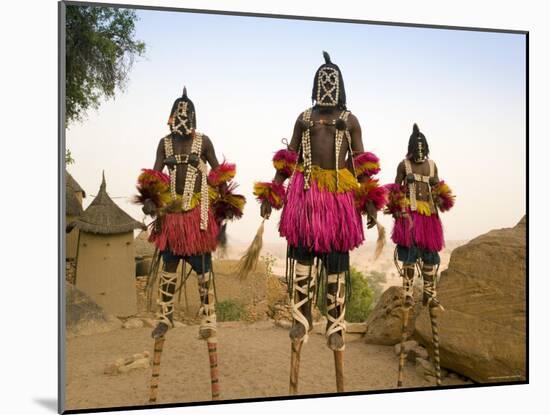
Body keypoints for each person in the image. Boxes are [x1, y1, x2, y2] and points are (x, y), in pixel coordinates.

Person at [253, 52, 387, 393]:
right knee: (301, 255)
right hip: (306, 194)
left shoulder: (350, 120)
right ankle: (301, 317)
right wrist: (273, 194)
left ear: (340, 88)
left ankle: (335, 321)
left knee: (336, 260)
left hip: (339, 197)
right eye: (322, 81)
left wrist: (370, 204)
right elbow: (288, 160)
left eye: (333, 82)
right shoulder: (303, 118)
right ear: (315, 87)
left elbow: (360, 163)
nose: (327, 87)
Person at [135, 87, 245, 401]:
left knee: (202, 268)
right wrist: (150, 200)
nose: (181, 118)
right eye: (177, 113)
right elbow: (155, 174)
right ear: (171, 117)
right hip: (172, 217)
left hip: (198, 216)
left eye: (186, 113)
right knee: (168, 263)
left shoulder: (203, 142)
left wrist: (225, 199)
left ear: (193, 118)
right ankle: (165, 315)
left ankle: (207, 316)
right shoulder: (164, 143)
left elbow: (218, 175)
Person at [384, 123, 455, 386]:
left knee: (429, 255)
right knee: (409, 256)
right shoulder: (404, 165)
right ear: (411, 149)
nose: (421, 152)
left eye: (424, 148)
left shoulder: (433, 166)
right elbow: (396, 190)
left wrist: (440, 197)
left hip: (430, 219)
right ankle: (407, 292)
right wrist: (399, 208)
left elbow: (438, 189)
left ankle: (429, 293)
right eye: (417, 148)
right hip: (410, 218)